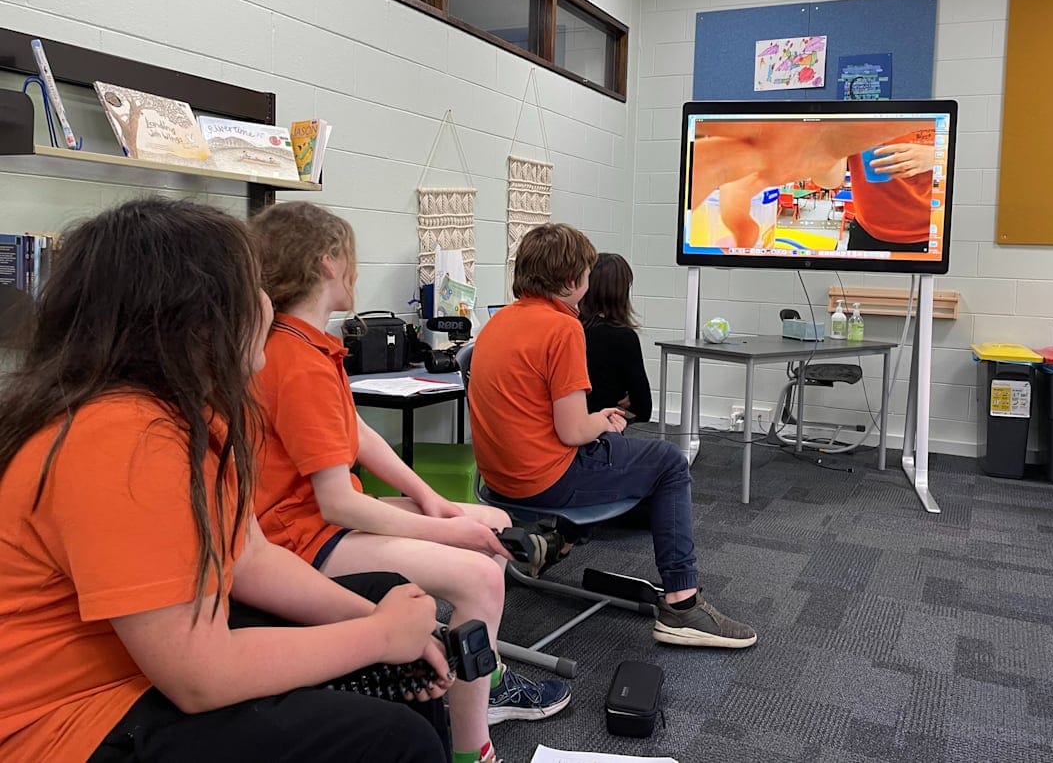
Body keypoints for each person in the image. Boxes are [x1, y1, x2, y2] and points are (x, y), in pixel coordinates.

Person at [0, 199, 449, 763]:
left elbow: (251, 558)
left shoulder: (184, 417)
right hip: (72, 723)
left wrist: (381, 626)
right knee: (397, 740)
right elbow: (200, 676)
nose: (266, 301)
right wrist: (379, 637)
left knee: (383, 598)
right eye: (250, 286)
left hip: (138, 668)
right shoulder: (122, 436)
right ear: (196, 317)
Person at [249, 202, 570, 763]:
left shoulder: (305, 344)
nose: (354, 269)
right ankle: (473, 748)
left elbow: (356, 435)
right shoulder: (294, 357)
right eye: (348, 257)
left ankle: (483, 684)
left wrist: (431, 500)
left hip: (315, 518)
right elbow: (340, 503)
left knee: (490, 520)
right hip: (300, 536)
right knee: (481, 575)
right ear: (327, 263)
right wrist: (445, 532)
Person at [468, 223, 757, 649]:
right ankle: (682, 604)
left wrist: (595, 420)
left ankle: (558, 539)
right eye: (586, 272)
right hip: (544, 483)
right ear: (572, 282)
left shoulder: (498, 323)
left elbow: (539, 414)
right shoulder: (563, 328)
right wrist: (602, 420)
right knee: (670, 463)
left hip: (498, 485)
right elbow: (571, 431)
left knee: (624, 454)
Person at [690, 119, 938, 251]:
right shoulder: (853, 123)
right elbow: (832, 180)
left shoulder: (933, 121)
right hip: (868, 231)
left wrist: (935, 157)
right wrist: (825, 155)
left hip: (927, 235)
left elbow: (969, 158)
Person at [579, 253, 652, 423]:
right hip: (602, 431)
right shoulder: (623, 337)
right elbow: (643, 408)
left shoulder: (569, 328)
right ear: (622, 292)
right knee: (667, 450)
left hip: (563, 426)